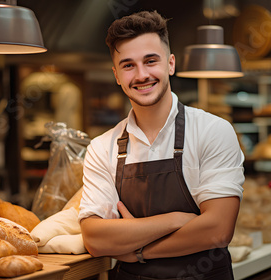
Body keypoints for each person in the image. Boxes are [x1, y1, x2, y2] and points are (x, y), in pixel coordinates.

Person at [79, 10, 245, 280]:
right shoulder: (101, 148)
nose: (141, 75)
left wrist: (137, 251)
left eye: (150, 61)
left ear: (170, 64)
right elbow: (96, 239)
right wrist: (177, 219)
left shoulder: (213, 131)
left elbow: (217, 230)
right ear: (116, 75)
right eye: (128, 65)